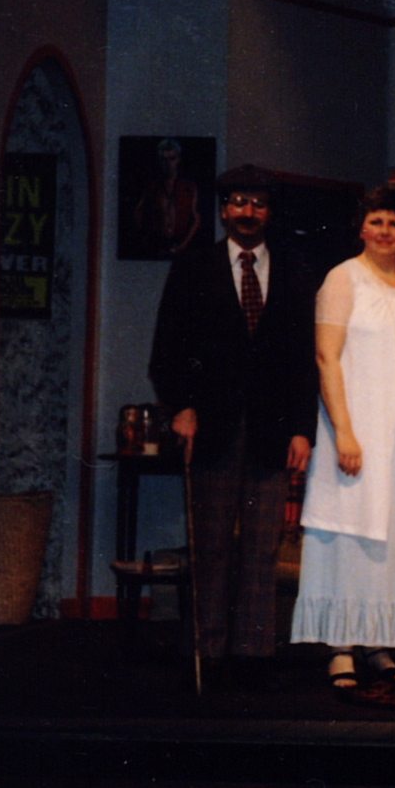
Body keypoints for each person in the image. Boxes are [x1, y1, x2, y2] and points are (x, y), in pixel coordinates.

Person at [148, 164, 318, 686]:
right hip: (211, 425)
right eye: (239, 202)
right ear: (223, 210)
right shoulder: (193, 266)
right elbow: (166, 347)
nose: (248, 212)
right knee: (213, 544)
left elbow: (302, 357)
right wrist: (180, 407)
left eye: (258, 204)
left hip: (272, 428)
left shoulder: (293, 269)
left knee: (262, 546)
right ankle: (208, 648)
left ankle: (253, 653)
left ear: (270, 212)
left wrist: (302, 429)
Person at [291, 188, 395, 690]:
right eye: (377, 221)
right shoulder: (343, 278)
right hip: (356, 433)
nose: (385, 231)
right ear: (362, 228)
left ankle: (378, 643)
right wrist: (344, 430)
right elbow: (326, 357)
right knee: (349, 535)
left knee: (391, 539)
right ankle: (340, 646)